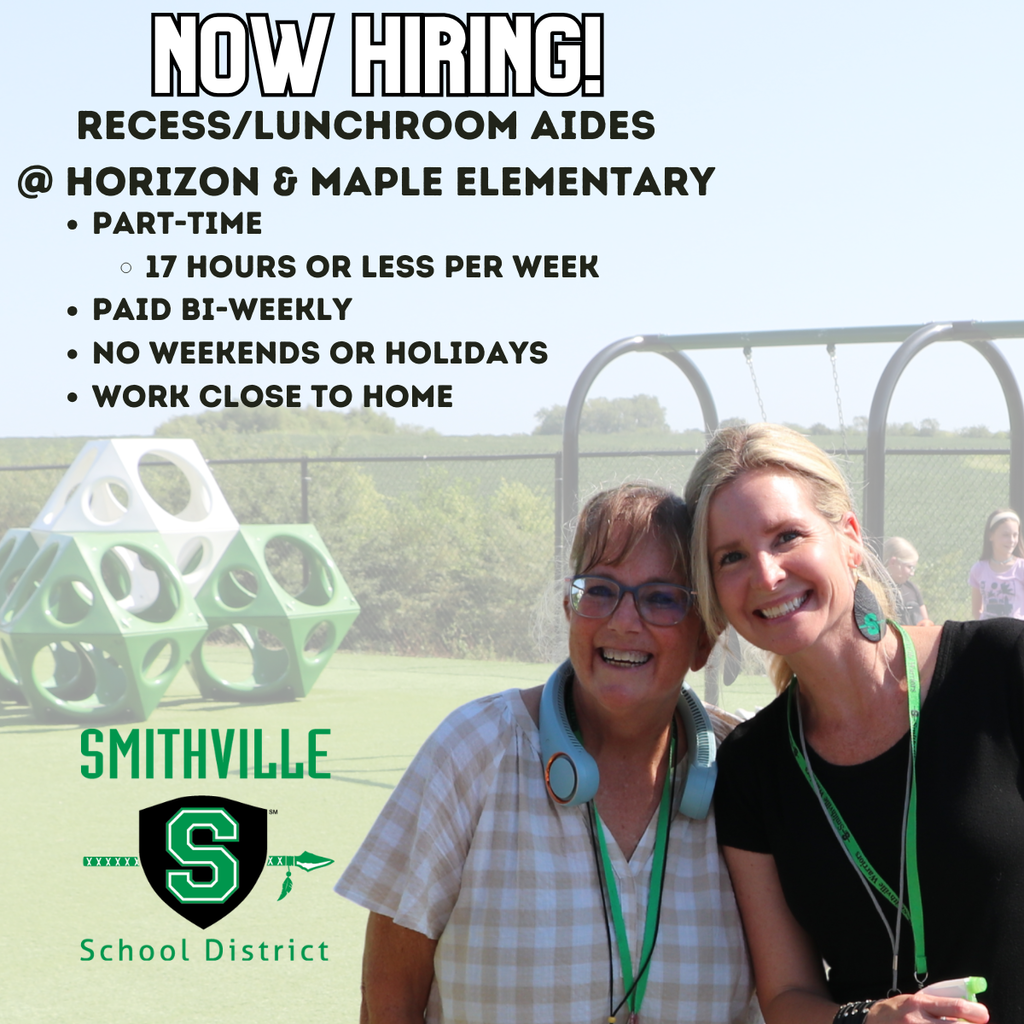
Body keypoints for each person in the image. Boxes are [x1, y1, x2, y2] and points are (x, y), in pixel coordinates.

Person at [336, 483, 758, 1024]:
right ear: (569, 609)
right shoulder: (472, 749)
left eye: (661, 598)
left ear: (704, 639)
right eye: (600, 590)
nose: (624, 621)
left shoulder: (747, 768)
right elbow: (387, 1002)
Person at [684, 423, 1023, 1024]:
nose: (765, 574)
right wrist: (872, 1018)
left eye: (787, 536)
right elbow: (786, 996)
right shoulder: (751, 766)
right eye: (731, 556)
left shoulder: (1003, 667)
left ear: (848, 538)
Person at [969, 508, 1024, 620]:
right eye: (1005, 535)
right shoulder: (978, 569)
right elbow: (976, 610)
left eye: (1015, 535)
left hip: (1016, 634)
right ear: (991, 536)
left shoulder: (1021, 568)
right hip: (989, 633)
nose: (1012, 540)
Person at [882, 537, 933, 626]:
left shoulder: (912, 589)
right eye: (909, 567)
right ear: (893, 562)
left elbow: (926, 624)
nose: (912, 573)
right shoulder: (877, 588)